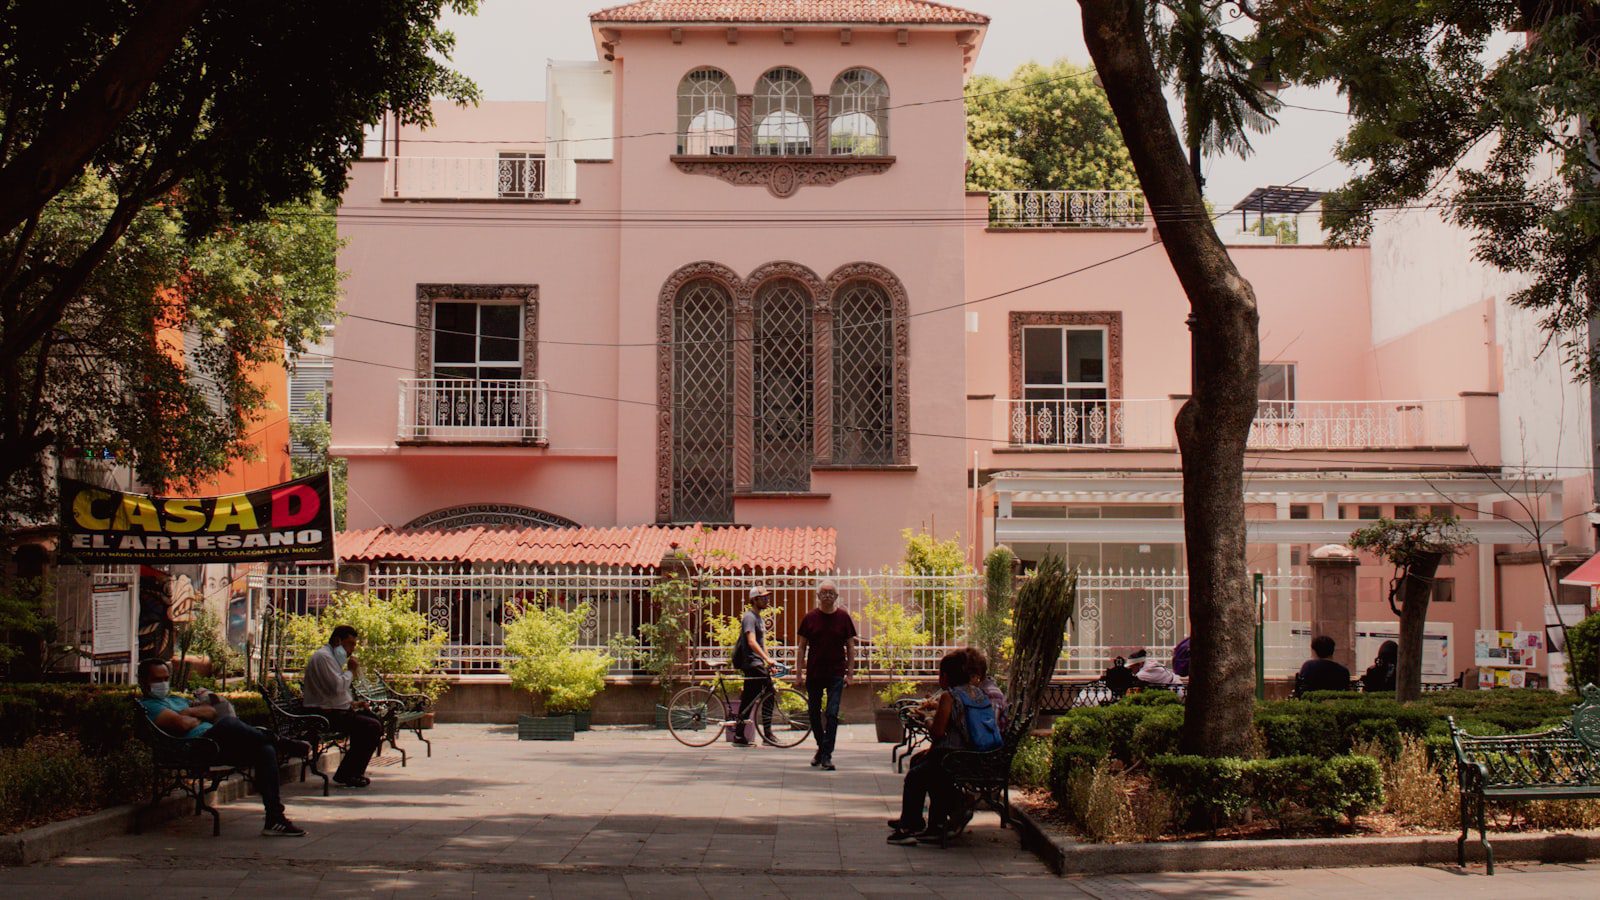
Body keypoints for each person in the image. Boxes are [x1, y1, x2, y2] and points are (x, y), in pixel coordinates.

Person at [137, 658, 308, 837]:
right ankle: (282, 742)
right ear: (143, 682)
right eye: (157, 680)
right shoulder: (150, 706)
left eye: (166, 679)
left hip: (214, 745)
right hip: (193, 749)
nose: (163, 684)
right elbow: (181, 725)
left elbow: (211, 711)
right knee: (228, 723)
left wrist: (188, 713)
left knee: (264, 750)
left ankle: (274, 818)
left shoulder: (176, 700)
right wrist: (193, 716)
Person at [887, 649, 1002, 846]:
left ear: (946, 676)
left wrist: (928, 720)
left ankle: (911, 825)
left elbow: (938, 733)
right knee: (926, 768)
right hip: (977, 755)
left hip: (954, 757)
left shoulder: (950, 696)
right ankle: (937, 823)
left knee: (917, 775)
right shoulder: (978, 694)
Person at [301, 624, 384, 787]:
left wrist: (353, 703)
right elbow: (337, 686)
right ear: (338, 641)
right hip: (323, 715)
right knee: (371, 726)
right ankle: (348, 773)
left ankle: (351, 772)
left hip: (336, 710)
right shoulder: (323, 657)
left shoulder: (331, 658)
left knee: (375, 721)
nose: (351, 650)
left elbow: (333, 693)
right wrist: (351, 671)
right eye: (350, 644)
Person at [795, 579, 856, 770]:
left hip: (836, 673)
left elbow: (851, 646)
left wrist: (850, 673)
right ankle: (822, 747)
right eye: (824, 592)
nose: (828, 595)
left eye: (831, 593)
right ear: (818, 596)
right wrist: (798, 673)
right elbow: (802, 646)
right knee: (813, 713)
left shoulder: (843, 618)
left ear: (836, 597)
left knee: (832, 713)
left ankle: (826, 755)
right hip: (814, 673)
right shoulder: (810, 618)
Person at [731, 586, 780, 746]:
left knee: (749, 699)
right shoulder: (750, 617)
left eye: (767, 597)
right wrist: (766, 659)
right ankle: (767, 735)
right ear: (754, 600)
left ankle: (739, 735)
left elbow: (761, 643)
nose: (767, 600)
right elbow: (751, 641)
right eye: (763, 598)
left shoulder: (758, 618)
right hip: (751, 662)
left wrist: (769, 661)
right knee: (769, 693)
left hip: (757, 662)